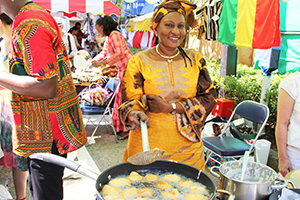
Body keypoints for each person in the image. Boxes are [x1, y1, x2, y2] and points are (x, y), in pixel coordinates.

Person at [0, 1, 87, 200]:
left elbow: (46, 87)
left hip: (46, 135)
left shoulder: (29, 23)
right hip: (43, 131)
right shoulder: (31, 16)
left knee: (46, 192)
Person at [118, 0, 217, 170]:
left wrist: (170, 107)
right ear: (155, 27)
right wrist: (134, 114)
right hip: (146, 147)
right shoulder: (139, 61)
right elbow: (129, 100)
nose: (176, 31)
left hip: (187, 150)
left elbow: (209, 97)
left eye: (181, 26)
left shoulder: (195, 59)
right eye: (169, 25)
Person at [91, 15, 133, 140]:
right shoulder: (110, 36)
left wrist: (102, 63)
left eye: (98, 28)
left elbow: (119, 54)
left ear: (103, 26)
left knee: (123, 100)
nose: (97, 31)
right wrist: (92, 61)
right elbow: (104, 53)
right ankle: (121, 128)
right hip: (123, 69)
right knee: (120, 100)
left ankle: (126, 129)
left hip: (128, 69)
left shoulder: (114, 34)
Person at [0, 12, 27, 200]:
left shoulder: (18, 43)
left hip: (14, 105)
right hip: (4, 104)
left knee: (19, 154)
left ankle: (21, 196)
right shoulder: (4, 43)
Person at [276, 71, 300, 177]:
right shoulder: (292, 83)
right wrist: (283, 158)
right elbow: (282, 123)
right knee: (292, 189)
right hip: (295, 153)